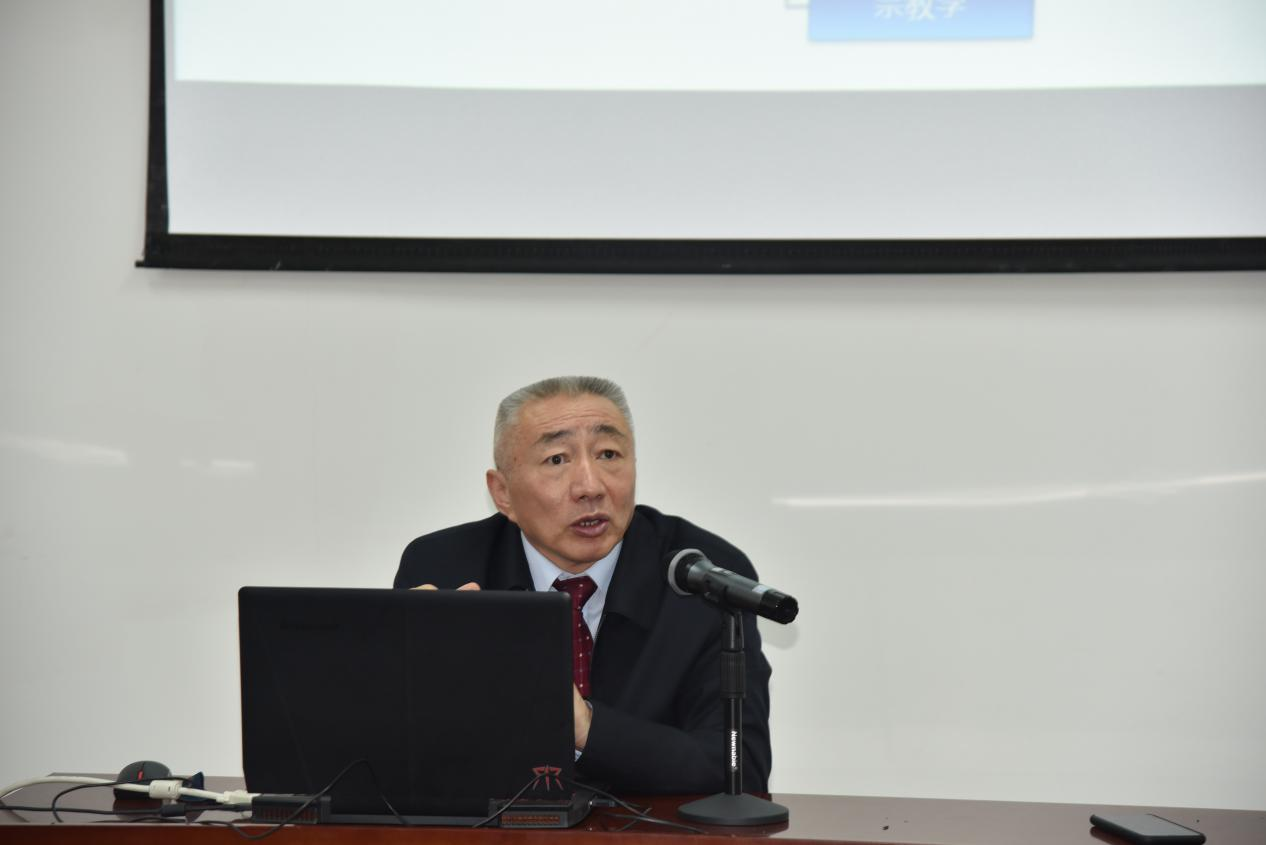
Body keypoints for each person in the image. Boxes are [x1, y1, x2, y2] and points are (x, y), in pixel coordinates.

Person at [394, 376, 772, 794]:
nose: (590, 487)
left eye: (608, 454)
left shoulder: (702, 577)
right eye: (557, 459)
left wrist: (586, 727)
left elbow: (740, 770)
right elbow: (396, 761)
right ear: (502, 494)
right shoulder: (443, 570)